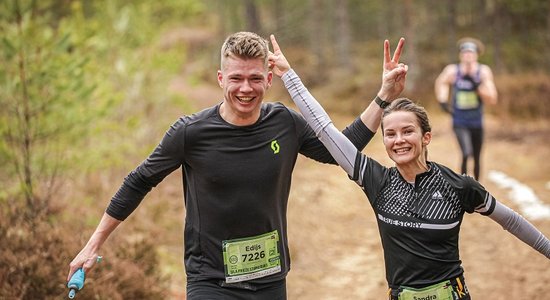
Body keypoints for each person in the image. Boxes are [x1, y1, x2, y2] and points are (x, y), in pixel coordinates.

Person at [66, 31, 405, 299]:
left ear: (269, 79)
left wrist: (383, 96)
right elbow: (139, 181)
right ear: (220, 78)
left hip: (270, 278)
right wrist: (93, 244)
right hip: (210, 280)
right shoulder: (191, 133)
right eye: (237, 78)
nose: (246, 88)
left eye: (255, 79)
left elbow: (342, 150)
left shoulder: (285, 123)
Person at [269, 34, 550, 299]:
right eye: (390, 134)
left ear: (426, 136)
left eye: (407, 132)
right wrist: (289, 75)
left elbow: (511, 220)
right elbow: (324, 128)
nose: (398, 140)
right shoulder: (376, 180)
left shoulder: (459, 186)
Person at [434, 37, 498, 180]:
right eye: (465, 53)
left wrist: (477, 87)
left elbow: (492, 98)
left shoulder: (483, 72)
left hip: (476, 120)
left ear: (476, 55)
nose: (468, 56)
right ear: (460, 55)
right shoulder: (453, 71)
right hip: (459, 120)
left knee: (476, 155)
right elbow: (441, 82)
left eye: (471, 53)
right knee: (465, 152)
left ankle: (478, 188)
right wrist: (442, 100)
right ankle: (463, 185)